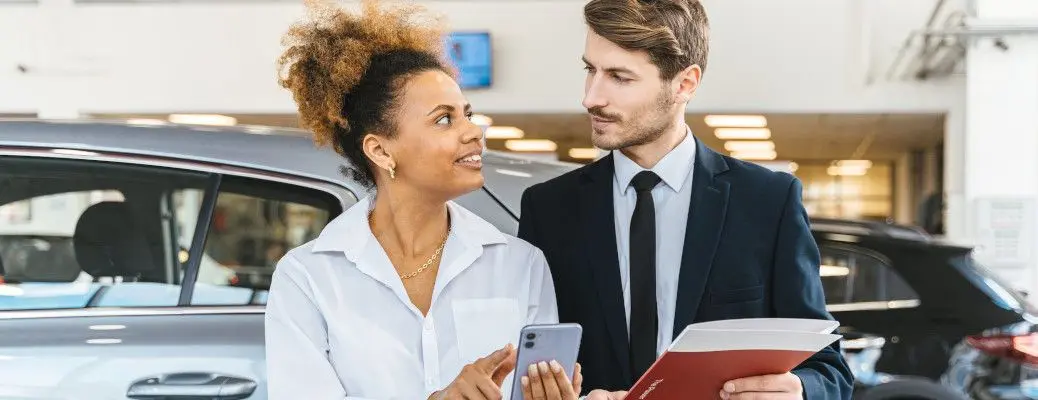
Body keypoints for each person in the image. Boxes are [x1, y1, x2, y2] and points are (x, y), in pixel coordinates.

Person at [517, 0, 854, 399]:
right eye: (590, 70)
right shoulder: (549, 208)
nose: (591, 98)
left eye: (619, 77)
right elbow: (526, 364)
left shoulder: (767, 201)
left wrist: (798, 389)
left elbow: (830, 369)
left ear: (685, 83)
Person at [264, 1, 581, 398]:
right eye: (444, 119)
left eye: (468, 113)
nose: (474, 132)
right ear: (380, 151)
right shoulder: (308, 277)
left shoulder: (520, 264)